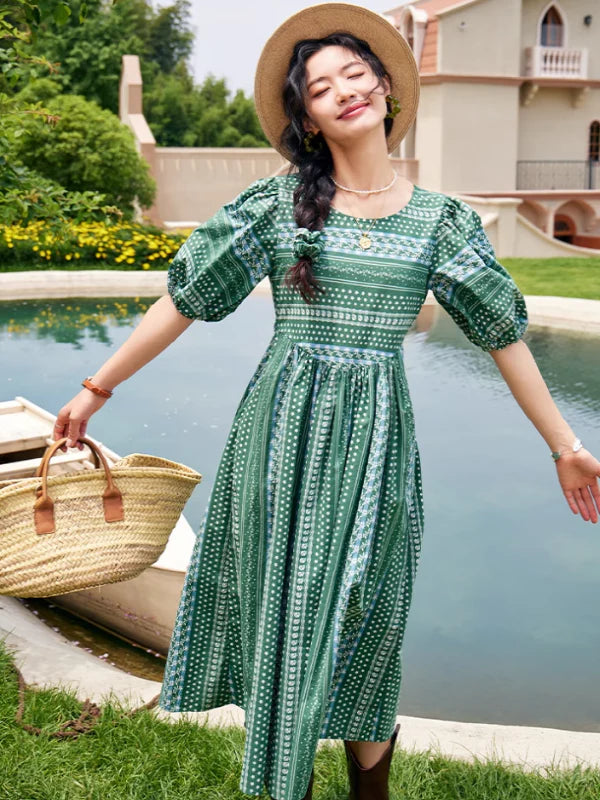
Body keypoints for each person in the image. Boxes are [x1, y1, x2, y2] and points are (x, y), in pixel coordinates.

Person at [53, 4, 600, 800]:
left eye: (355, 73)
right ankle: (287, 784)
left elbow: (503, 335)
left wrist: (564, 445)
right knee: (288, 610)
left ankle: (368, 790)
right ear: (306, 118)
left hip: (379, 440)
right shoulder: (279, 206)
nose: (344, 90)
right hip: (280, 437)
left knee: (370, 619)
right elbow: (187, 297)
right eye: (319, 87)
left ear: (384, 87)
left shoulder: (441, 223)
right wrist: (97, 385)